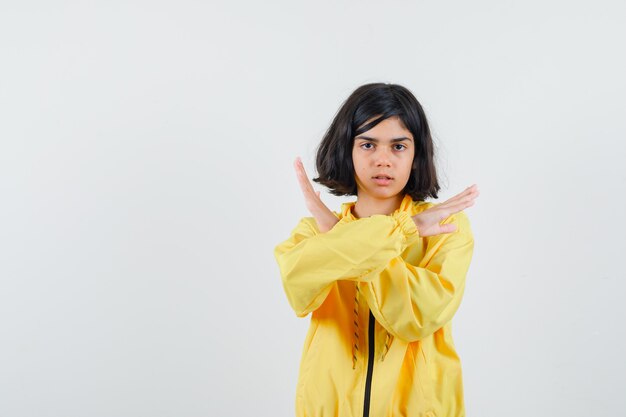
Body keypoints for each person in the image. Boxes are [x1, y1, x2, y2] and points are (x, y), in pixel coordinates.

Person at [273, 82, 480, 417]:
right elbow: (297, 287)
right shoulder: (312, 230)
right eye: (368, 144)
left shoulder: (445, 229)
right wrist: (403, 231)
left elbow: (420, 315)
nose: (383, 160)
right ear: (347, 150)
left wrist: (343, 234)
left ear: (416, 156)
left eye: (399, 146)